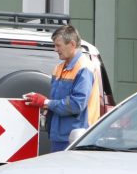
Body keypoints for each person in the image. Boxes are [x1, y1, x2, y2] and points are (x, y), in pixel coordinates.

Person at [23, 24, 101, 152]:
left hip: (76, 138)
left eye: (58, 45)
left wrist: (46, 102)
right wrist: (43, 106)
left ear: (72, 44)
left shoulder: (84, 68)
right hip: (61, 136)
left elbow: (77, 104)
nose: (55, 49)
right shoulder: (59, 68)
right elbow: (58, 102)